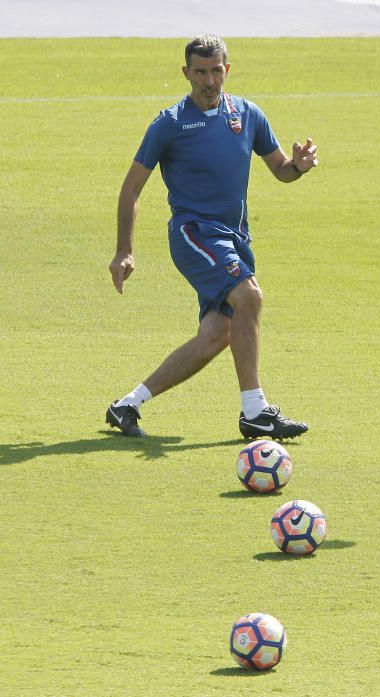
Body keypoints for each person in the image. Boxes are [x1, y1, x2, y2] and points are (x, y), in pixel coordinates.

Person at [106, 34, 316, 439]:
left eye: (216, 70)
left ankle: (127, 405)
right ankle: (255, 412)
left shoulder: (248, 114)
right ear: (186, 73)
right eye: (199, 72)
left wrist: (299, 166)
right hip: (194, 234)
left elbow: (280, 170)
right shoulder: (168, 124)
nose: (208, 80)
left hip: (235, 238)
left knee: (219, 332)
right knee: (250, 297)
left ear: (227, 69)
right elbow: (131, 188)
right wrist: (124, 251)